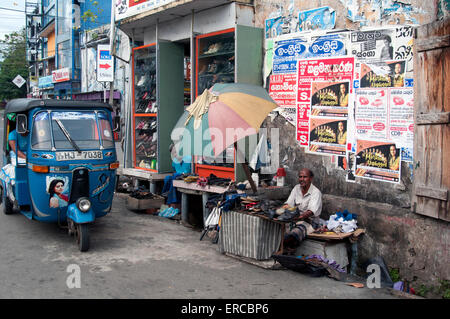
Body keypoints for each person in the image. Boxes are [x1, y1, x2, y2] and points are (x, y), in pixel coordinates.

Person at [282, 168, 322, 254]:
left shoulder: (316, 192)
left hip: (310, 222)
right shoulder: (296, 188)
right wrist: (282, 209)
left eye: (305, 177)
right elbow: (289, 204)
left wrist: (299, 217)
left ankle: (289, 253)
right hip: (296, 219)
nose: (302, 179)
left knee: (293, 234)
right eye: (300, 177)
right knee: (279, 229)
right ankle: (284, 251)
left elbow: (310, 212)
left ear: (311, 178)